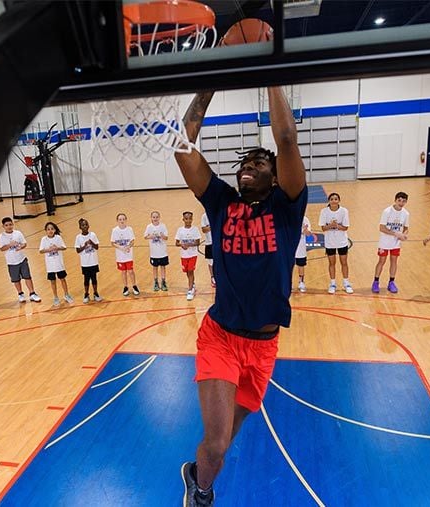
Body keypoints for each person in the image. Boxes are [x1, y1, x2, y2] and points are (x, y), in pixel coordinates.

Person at [175, 87, 306, 507]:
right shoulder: (220, 202)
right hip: (220, 337)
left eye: (259, 163)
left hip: (264, 348)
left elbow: (285, 140)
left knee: (222, 446)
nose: (248, 167)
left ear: (275, 175)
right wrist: (210, 83)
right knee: (215, 444)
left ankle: (196, 476)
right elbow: (183, 148)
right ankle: (202, 495)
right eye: (245, 163)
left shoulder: (287, 207)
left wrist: (269, 76)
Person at [372, 192, 410, 294]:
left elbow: (406, 228)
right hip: (384, 242)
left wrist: (404, 235)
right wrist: (396, 234)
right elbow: (382, 228)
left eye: (403, 201)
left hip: (396, 244)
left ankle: (391, 282)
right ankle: (376, 282)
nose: (401, 203)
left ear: (406, 201)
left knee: (394, 261)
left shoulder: (406, 214)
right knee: (382, 261)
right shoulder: (387, 211)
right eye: (399, 200)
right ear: (395, 200)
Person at [0, 217, 42, 303]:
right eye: (6, 225)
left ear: (13, 224)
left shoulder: (18, 233)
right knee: (16, 279)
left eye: (10, 224)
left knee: (27, 277)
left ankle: (32, 293)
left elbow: (24, 243)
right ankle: (20, 294)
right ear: (3, 226)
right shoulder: (2, 236)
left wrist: (21, 246)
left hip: (22, 259)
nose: (9, 226)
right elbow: (2, 248)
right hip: (11, 262)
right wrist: (9, 245)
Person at [319, 193, 353, 294]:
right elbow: (323, 228)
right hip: (330, 242)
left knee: (344, 263)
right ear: (329, 201)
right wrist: (331, 226)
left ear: (339, 200)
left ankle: (346, 283)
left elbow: (346, 227)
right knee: (332, 263)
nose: (334, 201)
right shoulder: (324, 212)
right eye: (332, 199)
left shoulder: (344, 211)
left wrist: (336, 226)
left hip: (342, 241)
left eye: (336, 199)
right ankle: (333, 283)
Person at [39, 221, 73, 307]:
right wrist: (49, 249)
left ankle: (66, 294)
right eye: (48, 229)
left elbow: (64, 247)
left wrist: (57, 248)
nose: (50, 231)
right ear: (46, 231)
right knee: (52, 281)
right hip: (50, 266)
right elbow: (41, 250)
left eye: (52, 229)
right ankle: (55, 297)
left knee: (62, 279)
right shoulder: (44, 239)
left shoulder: (58, 238)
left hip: (59, 264)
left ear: (54, 230)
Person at [75, 218, 102, 303]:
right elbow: (78, 250)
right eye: (83, 225)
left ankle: (95, 293)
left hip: (93, 262)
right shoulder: (78, 237)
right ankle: (86, 294)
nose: (85, 226)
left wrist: (92, 243)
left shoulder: (93, 235)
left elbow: (97, 247)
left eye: (86, 224)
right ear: (80, 227)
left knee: (94, 278)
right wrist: (84, 245)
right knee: (86, 279)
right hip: (85, 263)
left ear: (88, 226)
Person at [175, 211, 202, 301]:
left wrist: (188, 245)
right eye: (186, 219)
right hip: (184, 255)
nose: (188, 220)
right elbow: (177, 243)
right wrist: (182, 245)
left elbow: (197, 242)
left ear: (192, 219)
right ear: (183, 219)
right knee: (187, 271)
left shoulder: (195, 229)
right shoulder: (180, 230)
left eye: (190, 218)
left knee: (190, 271)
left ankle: (190, 290)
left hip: (193, 254)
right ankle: (192, 283)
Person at [112, 213, 139, 296]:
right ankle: (125, 287)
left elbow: (132, 241)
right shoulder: (115, 230)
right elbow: (113, 243)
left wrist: (128, 246)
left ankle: (134, 286)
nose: (122, 221)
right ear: (117, 221)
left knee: (130, 271)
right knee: (123, 272)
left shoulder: (129, 229)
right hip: (120, 256)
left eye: (123, 219)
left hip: (128, 255)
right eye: (120, 219)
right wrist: (120, 248)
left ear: (126, 220)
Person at [144, 211, 169, 291]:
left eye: (157, 217)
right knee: (154, 267)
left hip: (162, 252)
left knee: (163, 267)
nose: (155, 218)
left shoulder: (163, 226)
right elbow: (145, 236)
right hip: (154, 253)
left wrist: (162, 236)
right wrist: (150, 236)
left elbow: (166, 238)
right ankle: (155, 282)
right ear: (151, 218)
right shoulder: (149, 227)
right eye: (154, 217)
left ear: (159, 217)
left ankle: (163, 281)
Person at [295, 214, 312, 292]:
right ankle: (289, 282)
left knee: (301, 265)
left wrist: (305, 231)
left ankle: (301, 282)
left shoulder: (305, 219)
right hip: (289, 245)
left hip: (300, 246)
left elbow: (308, 233)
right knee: (289, 266)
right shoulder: (287, 218)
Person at [200, 212, 215, 288]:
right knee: (211, 262)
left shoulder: (220, 213)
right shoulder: (204, 216)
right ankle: (213, 278)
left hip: (219, 242)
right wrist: (213, 226)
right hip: (209, 243)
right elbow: (204, 229)